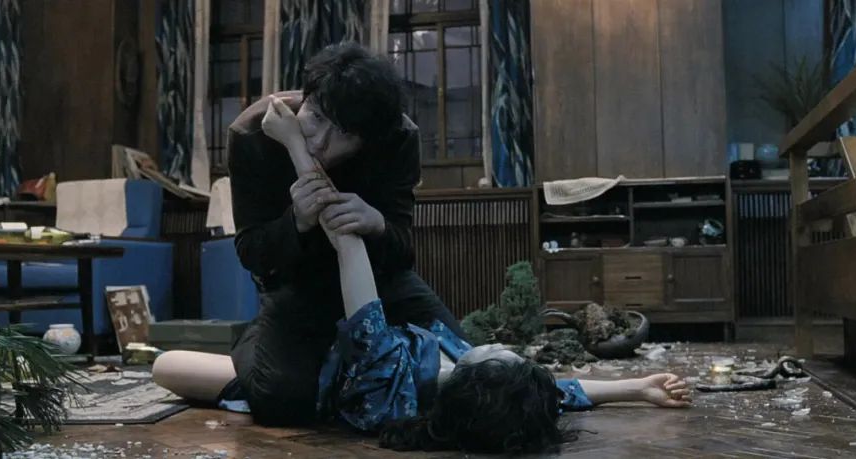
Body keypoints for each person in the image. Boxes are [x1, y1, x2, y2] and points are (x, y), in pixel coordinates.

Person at [154, 94, 693, 454]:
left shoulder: (390, 368)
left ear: (474, 377)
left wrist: (295, 142)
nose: (505, 348)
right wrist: (636, 388)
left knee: (172, 368)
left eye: (503, 355)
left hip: (334, 377)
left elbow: (346, 243)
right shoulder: (480, 389)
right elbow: (557, 391)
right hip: (349, 343)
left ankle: (253, 349)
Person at [222, 42, 464, 426]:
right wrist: (296, 222)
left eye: (343, 134)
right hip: (297, 286)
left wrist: (377, 223)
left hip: (381, 282)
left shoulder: (396, 136)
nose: (319, 142)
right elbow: (251, 251)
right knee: (281, 401)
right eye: (315, 118)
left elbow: (403, 253)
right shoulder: (253, 135)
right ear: (306, 99)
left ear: (367, 138)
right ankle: (255, 339)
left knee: (464, 368)